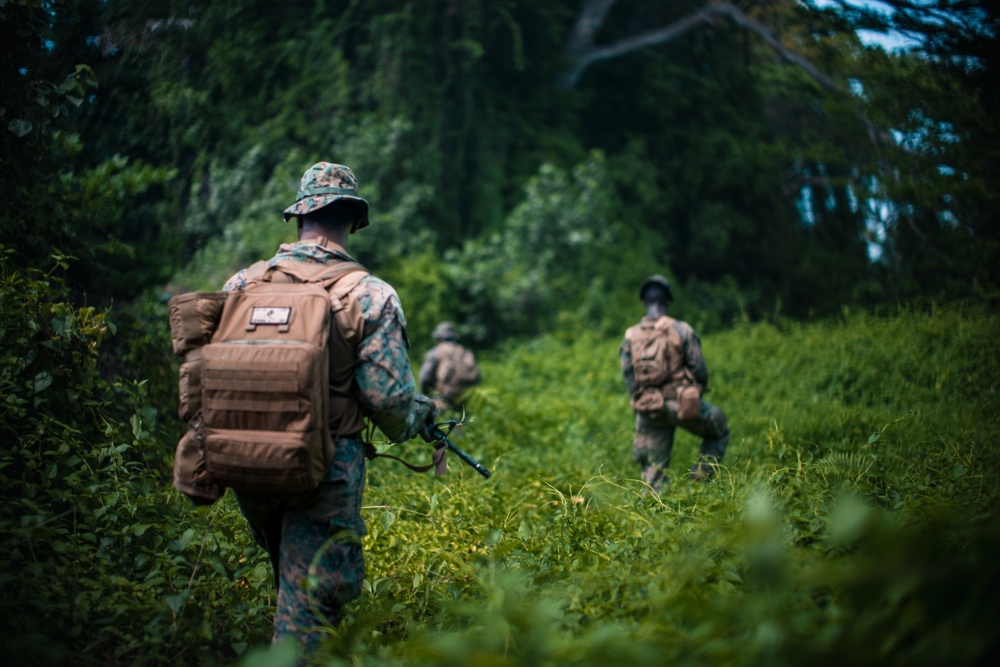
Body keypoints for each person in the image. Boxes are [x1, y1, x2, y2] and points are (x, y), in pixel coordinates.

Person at [222, 162, 437, 652]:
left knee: (288, 581)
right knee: (309, 612)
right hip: (322, 468)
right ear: (351, 219)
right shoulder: (370, 293)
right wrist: (417, 416)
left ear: (300, 216)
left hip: (244, 460)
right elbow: (388, 401)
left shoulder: (242, 285)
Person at [620, 274, 730, 492]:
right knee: (719, 429)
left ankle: (652, 514)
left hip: (649, 406)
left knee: (653, 473)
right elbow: (699, 368)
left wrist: (641, 398)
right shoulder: (682, 330)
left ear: (644, 302)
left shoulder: (631, 335)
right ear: (667, 302)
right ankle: (698, 483)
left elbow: (628, 375)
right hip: (681, 403)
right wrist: (693, 391)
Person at [418, 321, 481, 413]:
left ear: (439, 337)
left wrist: (425, 394)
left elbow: (425, 378)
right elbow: (478, 377)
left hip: (441, 402)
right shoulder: (463, 351)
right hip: (463, 401)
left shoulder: (436, 352)